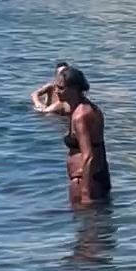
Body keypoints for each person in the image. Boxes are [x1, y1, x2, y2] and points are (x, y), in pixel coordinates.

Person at [56, 66, 111, 205]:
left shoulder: (81, 116)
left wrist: (85, 192)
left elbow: (88, 156)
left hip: (85, 181)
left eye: (61, 88)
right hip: (94, 178)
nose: (56, 91)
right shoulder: (83, 108)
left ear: (74, 89)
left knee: (87, 222)